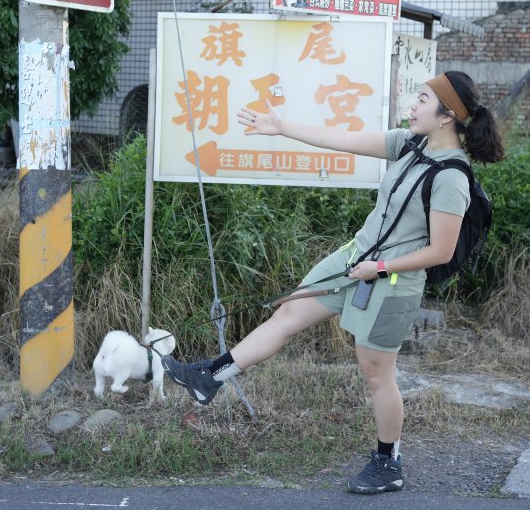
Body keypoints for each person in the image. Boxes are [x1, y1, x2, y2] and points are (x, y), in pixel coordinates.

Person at [162, 70, 505, 494]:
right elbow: (340, 139)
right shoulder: (409, 144)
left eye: (421, 99)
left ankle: (388, 461)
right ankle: (209, 378)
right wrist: (282, 127)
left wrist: (379, 269)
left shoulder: (452, 177)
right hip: (354, 259)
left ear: (446, 116)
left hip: (393, 282)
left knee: (378, 373)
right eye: (416, 97)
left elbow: (441, 252)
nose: (413, 105)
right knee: (289, 310)